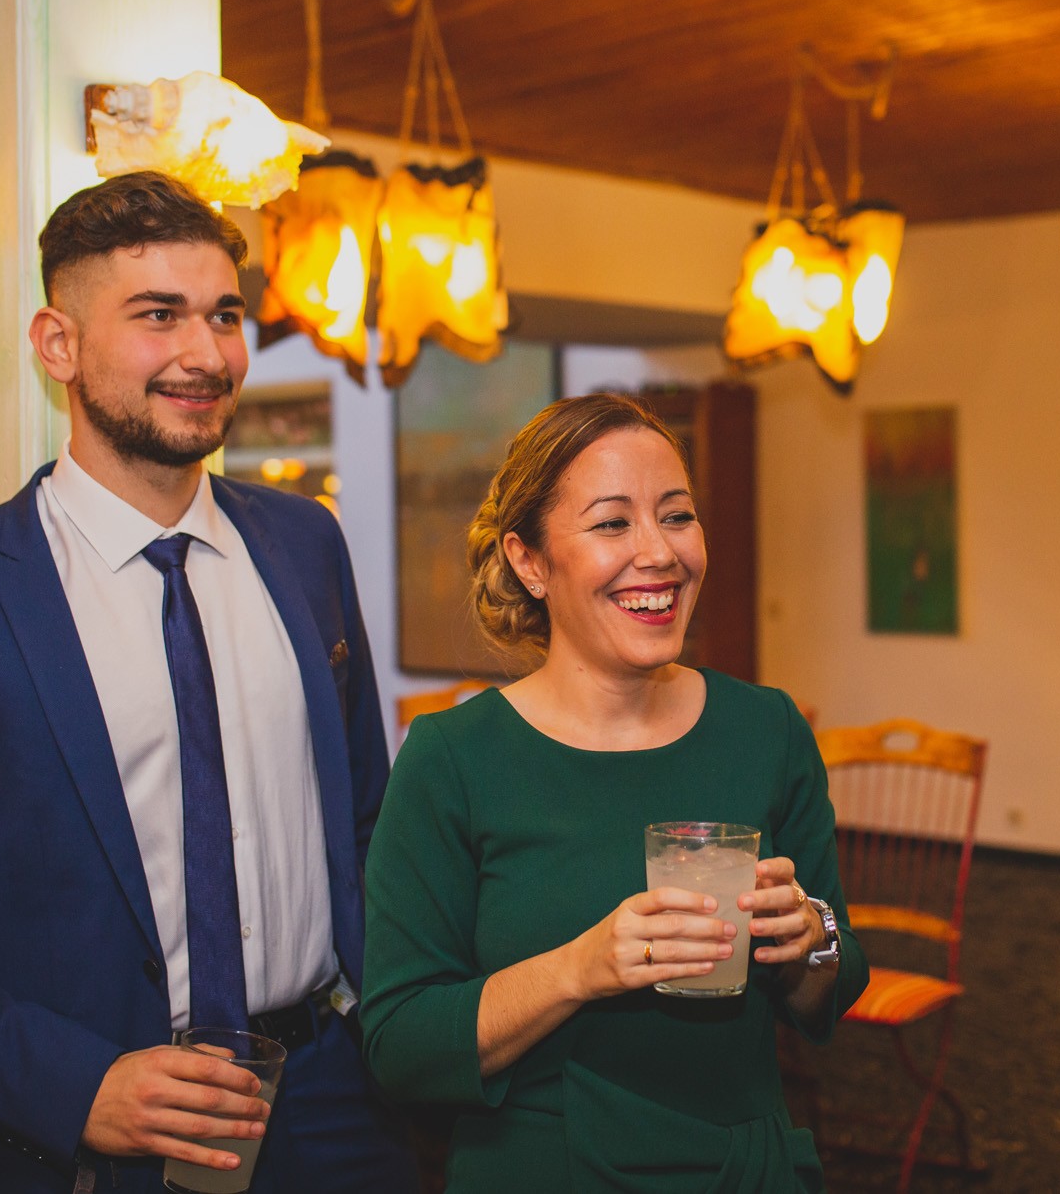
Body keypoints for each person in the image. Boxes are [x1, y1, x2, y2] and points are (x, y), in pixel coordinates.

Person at [0, 171, 416, 1193]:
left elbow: (364, 823)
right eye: (157, 315)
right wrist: (78, 1087)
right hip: (88, 1136)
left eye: (224, 316)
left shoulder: (306, 544)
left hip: (330, 1102)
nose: (205, 353)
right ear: (58, 345)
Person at [360, 392, 868, 1190]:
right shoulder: (453, 759)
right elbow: (400, 1044)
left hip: (744, 1169)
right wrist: (580, 967)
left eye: (677, 515)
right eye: (611, 523)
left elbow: (830, 986)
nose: (659, 552)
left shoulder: (766, 729)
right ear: (529, 561)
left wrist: (810, 937)